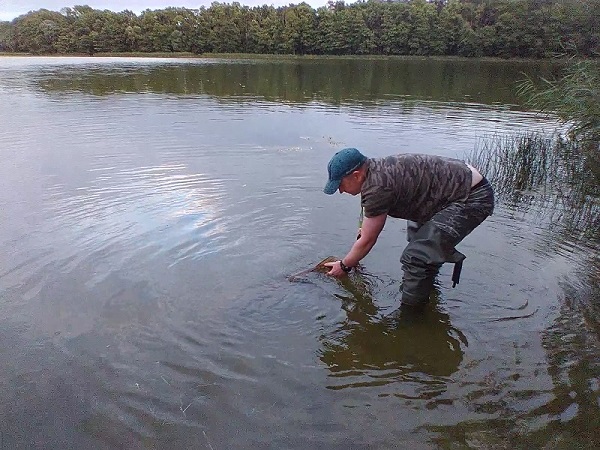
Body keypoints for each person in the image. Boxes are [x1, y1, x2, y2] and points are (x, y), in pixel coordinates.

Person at [323, 147, 494, 308]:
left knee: (416, 256)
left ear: (356, 175)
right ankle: (426, 288)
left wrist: (344, 266)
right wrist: (364, 232)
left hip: (472, 197)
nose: (340, 191)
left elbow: (368, 240)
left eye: (340, 185)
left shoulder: (377, 187)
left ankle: (411, 317)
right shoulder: (375, 170)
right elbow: (370, 222)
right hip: (449, 191)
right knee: (418, 236)